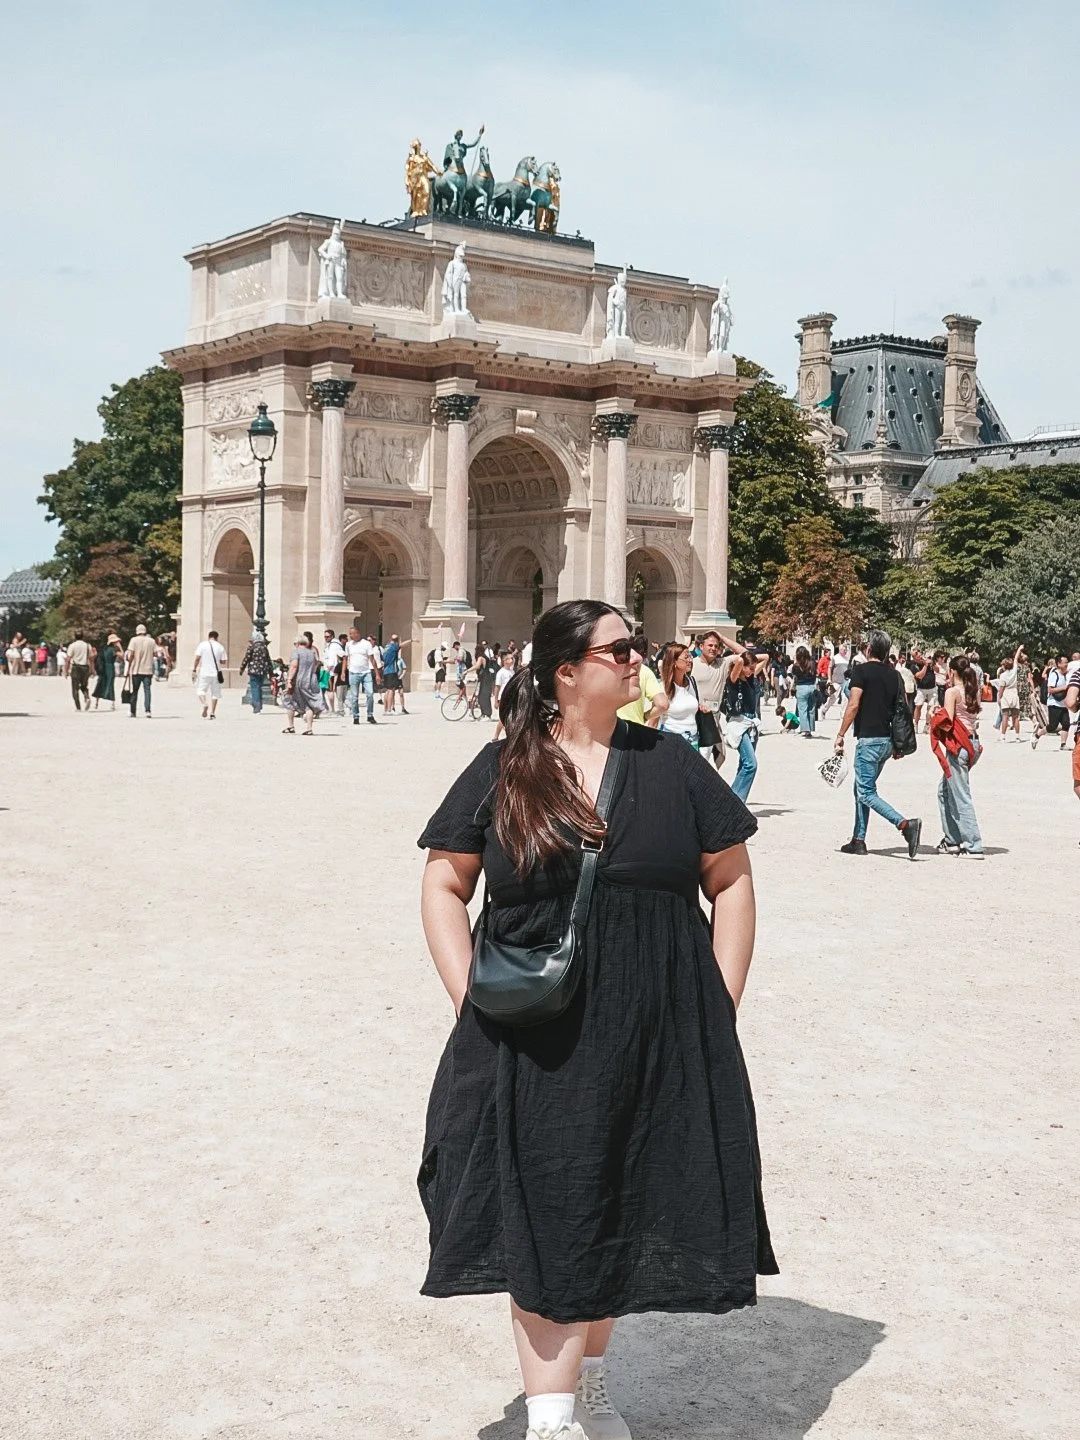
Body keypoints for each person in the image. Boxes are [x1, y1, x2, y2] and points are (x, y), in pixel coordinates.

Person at [417, 600, 776, 1440]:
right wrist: (468, 995)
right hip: (533, 1032)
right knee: (546, 1201)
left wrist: (718, 1004)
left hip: (657, 1027)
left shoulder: (675, 763)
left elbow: (732, 881)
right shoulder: (504, 766)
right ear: (565, 670)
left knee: (623, 1192)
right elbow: (444, 883)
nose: (638, 657)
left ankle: (594, 1382)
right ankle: (550, 1420)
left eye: (638, 646)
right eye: (620, 648)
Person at [834, 629, 922, 859]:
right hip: (886, 741)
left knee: (866, 792)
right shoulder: (895, 676)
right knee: (861, 790)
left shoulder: (861, 672)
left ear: (868, 649)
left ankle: (904, 825)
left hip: (869, 740)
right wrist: (899, 744)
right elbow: (901, 710)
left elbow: (853, 704)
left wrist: (841, 733)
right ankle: (858, 839)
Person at [931, 655, 984, 857]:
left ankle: (973, 844)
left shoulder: (952, 692)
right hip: (972, 742)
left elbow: (948, 720)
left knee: (961, 794)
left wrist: (934, 715)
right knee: (944, 791)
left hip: (959, 745)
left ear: (952, 672)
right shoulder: (973, 690)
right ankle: (952, 840)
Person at [721, 647, 769, 803]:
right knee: (751, 764)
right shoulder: (734, 680)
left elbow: (766, 657)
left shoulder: (750, 678)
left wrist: (750, 661)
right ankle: (734, 799)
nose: (752, 671)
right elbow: (740, 660)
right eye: (750, 668)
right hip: (739, 723)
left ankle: (736, 799)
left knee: (743, 763)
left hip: (751, 723)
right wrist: (741, 658)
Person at [617, 633, 668, 731]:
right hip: (636, 729)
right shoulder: (645, 670)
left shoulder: (613, 670)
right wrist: (645, 716)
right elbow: (662, 704)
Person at [281, 631, 327, 735]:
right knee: (308, 703)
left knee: (289, 701)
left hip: (298, 680)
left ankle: (291, 726)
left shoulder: (296, 652)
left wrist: (289, 680)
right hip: (311, 680)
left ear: (297, 643)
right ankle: (309, 728)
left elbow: (294, 666)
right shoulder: (311, 653)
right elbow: (316, 665)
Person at [659, 642, 701, 747]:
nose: (690, 660)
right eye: (686, 657)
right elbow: (654, 720)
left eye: (690, 657)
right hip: (671, 740)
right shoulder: (664, 687)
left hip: (693, 740)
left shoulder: (692, 682)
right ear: (674, 661)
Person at [192, 629, 227, 719]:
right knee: (215, 693)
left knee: (201, 690)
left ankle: (204, 703)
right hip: (216, 673)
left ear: (209, 637)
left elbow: (197, 658)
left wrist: (194, 669)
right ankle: (212, 713)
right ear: (217, 637)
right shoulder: (220, 647)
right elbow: (224, 661)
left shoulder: (203, 645)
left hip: (204, 672)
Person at [345, 625, 377, 725]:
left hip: (366, 672)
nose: (350, 636)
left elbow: (372, 658)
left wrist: (377, 673)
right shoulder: (349, 645)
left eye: (352, 634)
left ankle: (370, 715)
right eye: (350, 634)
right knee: (354, 696)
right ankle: (356, 716)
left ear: (357, 633)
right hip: (353, 672)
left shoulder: (366, 644)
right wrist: (343, 672)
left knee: (370, 694)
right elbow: (346, 658)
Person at [238, 629, 273, 714]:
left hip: (253, 671)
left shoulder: (252, 647)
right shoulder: (264, 647)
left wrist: (242, 668)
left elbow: (246, 658)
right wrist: (270, 672)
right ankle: (259, 705)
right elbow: (268, 660)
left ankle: (256, 706)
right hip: (262, 671)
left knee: (255, 688)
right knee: (259, 688)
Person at [126, 624, 157, 718]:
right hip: (148, 670)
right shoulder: (151, 641)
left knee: (134, 691)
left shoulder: (133, 640)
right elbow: (155, 653)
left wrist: (129, 666)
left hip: (136, 669)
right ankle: (148, 710)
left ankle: (133, 711)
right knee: (147, 691)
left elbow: (131, 655)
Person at [1043, 655, 1071, 750]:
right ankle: (1037, 735)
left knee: (1066, 723)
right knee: (1052, 726)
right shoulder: (1054, 674)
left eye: (1067, 662)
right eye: (1065, 662)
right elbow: (1050, 690)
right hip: (1054, 703)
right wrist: (1064, 688)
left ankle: (1063, 744)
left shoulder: (1067, 674)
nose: (1067, 664)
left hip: (1063, 703)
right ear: (1059, 664)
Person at [791, 646, 817, 737]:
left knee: (802, 709)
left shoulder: (797, 666)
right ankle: (810, 729)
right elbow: (815, 674)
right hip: (812, 687)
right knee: (811, 709)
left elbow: (794, 676)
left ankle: (805, 729)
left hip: (801, 687)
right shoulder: (812, 663)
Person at [381, 633, 410, 715]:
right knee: (391, 690)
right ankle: (390, 710)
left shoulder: (386, 647)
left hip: (386, 671)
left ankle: (385, 709)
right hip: (392, 671)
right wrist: (411, 640)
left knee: (387, 690)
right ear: (397, 641)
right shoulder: (394, 647)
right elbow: (402, 645)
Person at [92, 634, 121, 710]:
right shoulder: (114, 649)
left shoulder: (104, 649)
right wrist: (120, 646)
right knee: (110, 685)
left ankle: (96, 703)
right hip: (110, 668)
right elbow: (123, 656)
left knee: (100, 684)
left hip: (103, 668)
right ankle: (112, 704)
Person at [910, 650, 936, 733]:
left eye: (919, 653)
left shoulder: (929, 661)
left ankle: (927, 725)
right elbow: (920, 676)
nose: (919, 655)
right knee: (918, 706)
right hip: (921, 689)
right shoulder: (913, 666)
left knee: (930, 707)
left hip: (932, 688)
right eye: (916, 654)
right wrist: (925, 665)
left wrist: (933, 663)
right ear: (914, 658)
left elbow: (937, 670)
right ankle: (915, 724)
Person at [66, 633, 93, 711]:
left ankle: (78, 707)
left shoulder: (72, 645)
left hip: (76, 667)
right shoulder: (88, 646)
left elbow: (68, 659)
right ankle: (87, 697)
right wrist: (92, 669)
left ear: (75, 637)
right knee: (84, 686)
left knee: (75, 688)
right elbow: (91, 658)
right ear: (83, 637)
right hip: (85, 667)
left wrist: (66, 670)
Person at [321, 629, 345, 714]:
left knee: (330, 690)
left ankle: (332, 709)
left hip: (331, 671)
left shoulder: (333, 646)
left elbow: (332, 659)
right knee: (333, 691)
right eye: (325, 637)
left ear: (332, 636)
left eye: (327, 637)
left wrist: (327, 669)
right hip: (332, 670)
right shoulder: (333, 645)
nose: (326, 638)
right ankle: (332, 708)